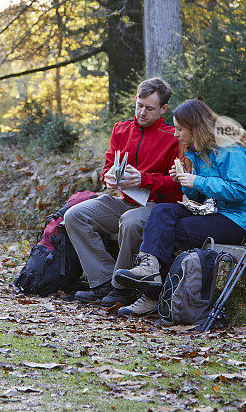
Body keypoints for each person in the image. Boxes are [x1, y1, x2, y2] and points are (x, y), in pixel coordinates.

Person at [113, 99, 246, 317]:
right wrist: (184, 182)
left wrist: (196, 180)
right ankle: (149, 269)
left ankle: (153, 296)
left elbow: (238, 190)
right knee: (162, 211)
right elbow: (199, 196)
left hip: (236, 220)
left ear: (195, 127)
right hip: (212, 212)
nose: (176, 134)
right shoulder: (199, 152)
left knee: (173, 231)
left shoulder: (230, 150)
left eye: (180, 129)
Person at [64, 78, 183, 307]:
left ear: (163, 109)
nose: (142, 112)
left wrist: (145, 179)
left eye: (149, 108)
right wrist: (107, 176)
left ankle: (122, 289)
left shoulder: (173, 138)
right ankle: (104, 282)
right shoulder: (121, 129)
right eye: (139, 105)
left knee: (129, 222)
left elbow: (178, 186)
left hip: (156, 207)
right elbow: (109, 166)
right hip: (124, 199)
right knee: (75, 215)